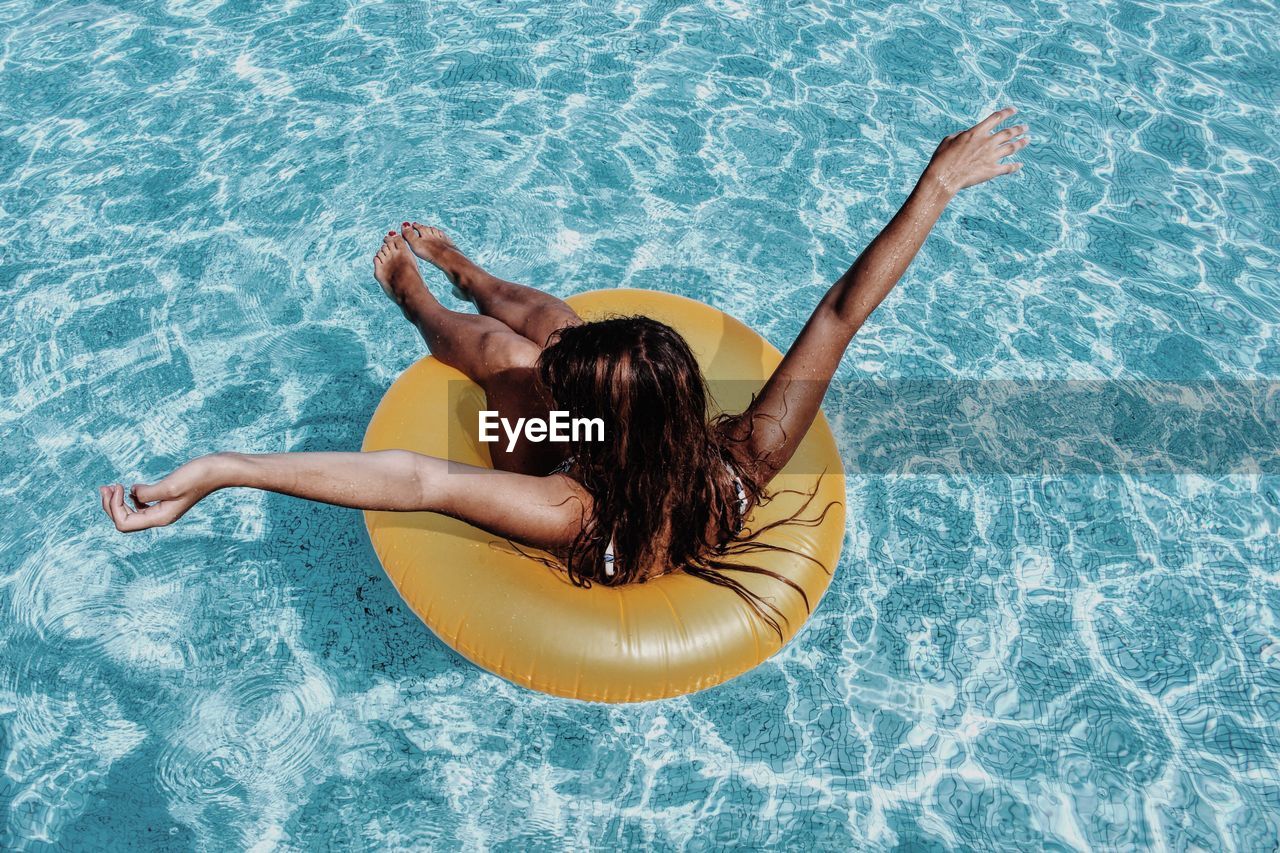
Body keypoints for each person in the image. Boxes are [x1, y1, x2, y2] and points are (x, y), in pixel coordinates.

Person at [100, 107, 1028, 626]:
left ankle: (421, 303)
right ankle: (467, 269)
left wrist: (224, 471)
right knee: (560, 325)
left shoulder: (567, 508)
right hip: (634, 450)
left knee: (513, 355)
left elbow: (415, 479)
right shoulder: (747, 453)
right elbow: (840, 313)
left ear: (590, 428)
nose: (558, 378)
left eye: (569, 392)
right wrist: (936, 187)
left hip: (572, 482)